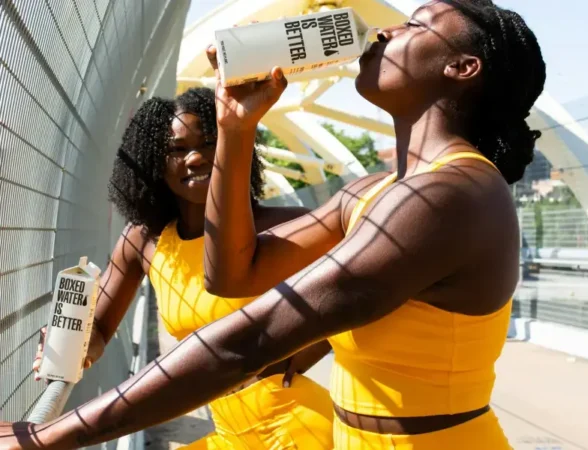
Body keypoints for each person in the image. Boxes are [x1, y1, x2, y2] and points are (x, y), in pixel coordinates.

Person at [1, 1, 545, 448]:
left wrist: (49, 435)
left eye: (414, 25)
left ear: (461, 67)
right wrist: (236, 127)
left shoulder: (451, 196)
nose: (385, 31)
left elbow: (252, 338)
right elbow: (232, 276)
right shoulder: (372, 192)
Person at [30, 87, 334, 450]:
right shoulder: (144, 240)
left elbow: (361, 291)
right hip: (229, 432)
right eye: (176, 149)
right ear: (152, 163)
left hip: (296, 426)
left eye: (209, 143)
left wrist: (303, 353)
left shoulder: (286, 226)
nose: (196, 158)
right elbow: (98, 328)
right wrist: (69, 341)